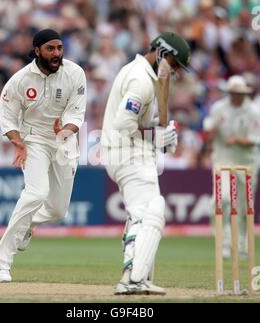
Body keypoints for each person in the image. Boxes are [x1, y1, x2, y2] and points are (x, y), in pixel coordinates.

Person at [0, 29, 87, 283]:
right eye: (50, 49)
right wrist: (18, 143)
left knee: (57, 211)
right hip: (33, 140)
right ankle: (1, 264)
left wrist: (65, 130)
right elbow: (7, 116)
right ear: (37, 51)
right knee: (36, 193)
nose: (56, 54)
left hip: (64, 141)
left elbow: (77, 114)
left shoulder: (75, 73)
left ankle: (27, 225)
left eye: (59, 48)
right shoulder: (20, 80)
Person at [101, 32, 191, 295]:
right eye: (174, 65)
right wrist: (155, 136)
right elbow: (124, 124)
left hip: (126, 153)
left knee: (140, 214)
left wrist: (159, 134)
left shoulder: (139, 73)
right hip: (128, 154)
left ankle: (137, 277)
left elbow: (136, 123)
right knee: (147, 212)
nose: (174, 72)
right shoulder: (141, 80)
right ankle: (132, 279)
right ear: (162, 53)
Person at [204, 75, 260, 259]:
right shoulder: (218, 108)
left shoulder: (254, 111)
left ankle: (242, 245)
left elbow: (254, 141)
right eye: (233, 93)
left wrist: (236, 140)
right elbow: (209, 133)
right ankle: (224, 244)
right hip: (223, 160)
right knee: (221, 200)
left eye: (240, 93)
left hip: (247, 162)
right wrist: (210, 134)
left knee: (244, 208)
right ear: (229, 93)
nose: (236, 96)